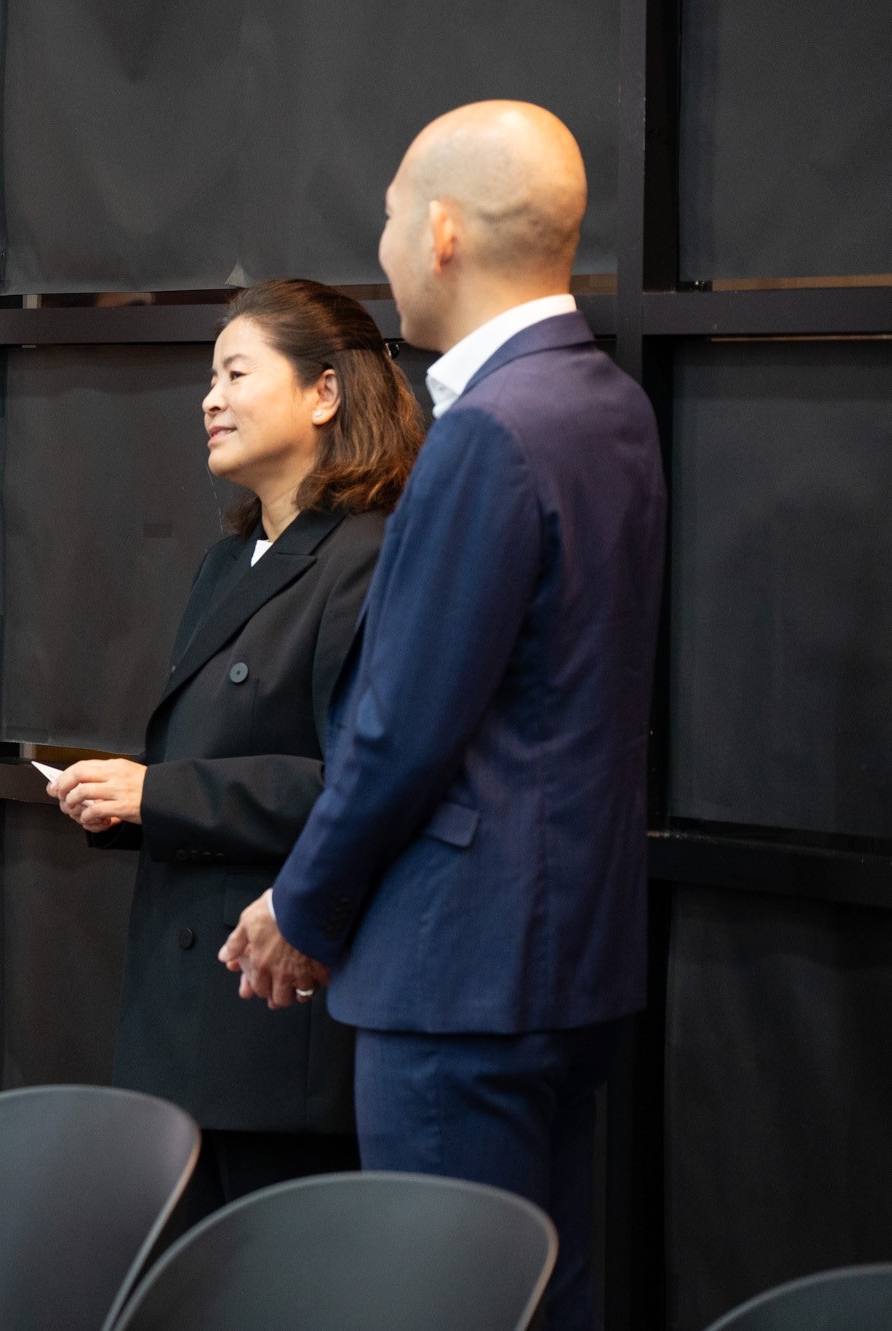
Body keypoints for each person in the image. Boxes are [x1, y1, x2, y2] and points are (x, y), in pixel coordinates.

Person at [223, 102, 665, 1331]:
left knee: (440, 1298)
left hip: (457, 971)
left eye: (384, 216)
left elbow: (402, 727)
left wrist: (298, 908)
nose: (379, 245)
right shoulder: (609, 408)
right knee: (547, 1294)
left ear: (444, 233)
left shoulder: (490, 432)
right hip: (569, 952)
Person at [48, 279, 422, 1214]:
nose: (209, 399)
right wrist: (125, 797)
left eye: (235, 373)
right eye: (208, 377)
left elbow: (357, 786)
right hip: (183, 1026)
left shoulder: (368, 555)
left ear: (324, 393)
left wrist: (158, 794)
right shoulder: (229, 558)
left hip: (277, 1031)